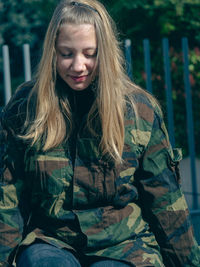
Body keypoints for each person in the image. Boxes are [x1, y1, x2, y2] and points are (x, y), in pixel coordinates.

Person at [0, 0, 199, 266]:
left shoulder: (138, 111)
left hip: (124, 244)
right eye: (66, 53)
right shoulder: (26, 107)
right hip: (51, 240)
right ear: (52, 53)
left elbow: (165, 200)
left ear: (104, 53)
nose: (78, 65)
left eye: (90, 53)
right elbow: (8, 195)